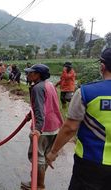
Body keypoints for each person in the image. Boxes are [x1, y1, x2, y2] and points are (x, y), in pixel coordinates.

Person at [46, 48, 111, 190]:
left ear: (102, 66)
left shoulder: (87, 92)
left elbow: (70, 128)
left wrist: (53, 151)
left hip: (91, 164)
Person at [21, 64, 63, 190]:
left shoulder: (38, 88)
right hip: (55, 126)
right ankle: (36, 180)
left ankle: (39, 185)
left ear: (37, 75)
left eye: (30, 73)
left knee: (37, 157)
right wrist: (29, 115)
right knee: (44, 156)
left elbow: (39, 110)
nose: (28, 75)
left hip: (43, 128)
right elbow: (45, 104)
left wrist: (38, 129)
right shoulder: (49, 85)